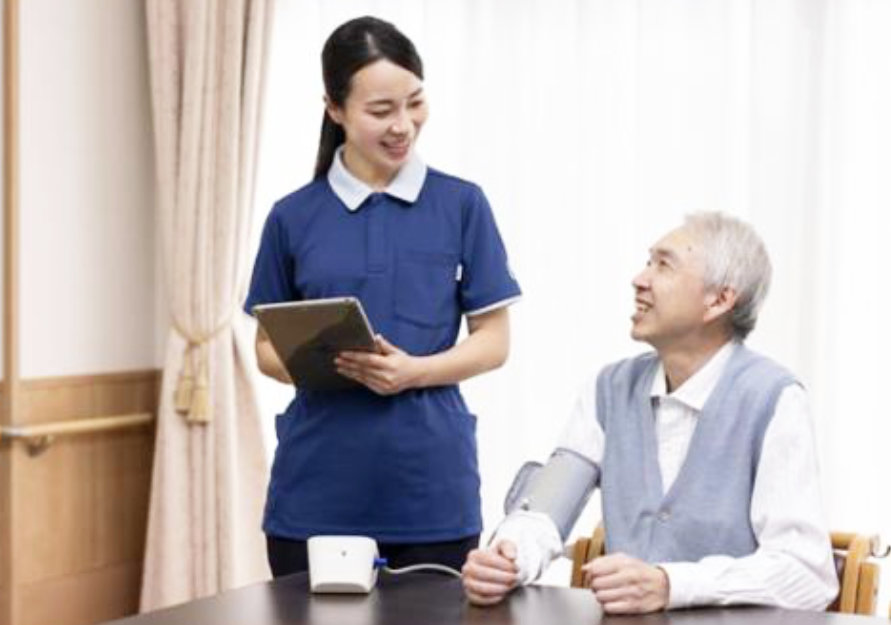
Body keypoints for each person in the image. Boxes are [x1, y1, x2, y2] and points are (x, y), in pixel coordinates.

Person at [244, 16, 521, 577]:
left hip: (431, 494)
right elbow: (266, 350)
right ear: (334, 108)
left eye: (414, 103)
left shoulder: (462, 205)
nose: (403, 125)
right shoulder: (292, 217)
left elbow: (494, 342)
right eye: (380, 111)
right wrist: (333, 365)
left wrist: (413, 372)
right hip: (316, 493)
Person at [462, 212, 838, 613]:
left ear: (719, 300)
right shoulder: (609, 389)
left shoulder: (774, 398)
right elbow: (543, 511)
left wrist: (672, 584)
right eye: (648, 262)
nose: (639, 279)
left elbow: (806, 573)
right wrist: (509, 556)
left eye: (664, 265)